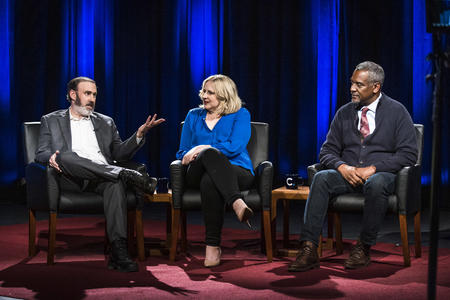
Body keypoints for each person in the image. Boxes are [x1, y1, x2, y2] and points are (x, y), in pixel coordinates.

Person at [288, 61, 418, 272]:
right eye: (352, 83)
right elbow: (327, 151)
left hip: (382, 175)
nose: (352, 89)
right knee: (321, 178)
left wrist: (374, 168)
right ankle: (309, 248)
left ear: (376, 87)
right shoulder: (344, 112)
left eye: (359, 85)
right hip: (347, 174)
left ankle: (363, 248)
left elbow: (408, 154)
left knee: (376, 183)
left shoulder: (397, 112)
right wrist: (342, 168)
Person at [35, 76, 165, 272]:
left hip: (102, 178)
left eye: (94, 94)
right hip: (71, 177)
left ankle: (118, 252)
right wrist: (52, 157)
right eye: (87, 93)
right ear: (72, 94)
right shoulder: (51, 120)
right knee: (66, 156)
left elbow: (119, 153)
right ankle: (123, 174)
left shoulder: (106, 122)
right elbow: (40, 153)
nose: (92, 99)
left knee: (114, 183)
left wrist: (138, 135)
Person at [176, 74, 255, 267]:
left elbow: (235, 146)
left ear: (224, 95)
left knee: (210, 180)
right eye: (203, 91)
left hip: (237, 170)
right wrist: (198, 150)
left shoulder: (240, 114)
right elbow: (182, 152)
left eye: (210, 92)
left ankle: (212, 247)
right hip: (195, 171)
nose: (204, 95)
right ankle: (236, 202)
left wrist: (201, 148)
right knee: (209, 154)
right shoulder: (193, 115)